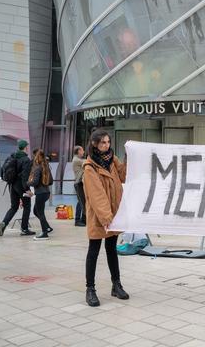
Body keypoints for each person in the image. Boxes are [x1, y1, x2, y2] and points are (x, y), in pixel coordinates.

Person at [83, 130, 129, 306]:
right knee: (93, 250)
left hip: (113, 213)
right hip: (100, 215)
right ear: (94, 144)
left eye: (108, 142)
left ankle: (116, 284)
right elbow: (97, 195)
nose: (106, 145)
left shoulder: (112, 159)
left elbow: (123, 175)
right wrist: (106, 217)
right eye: (103, 142)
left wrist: (128, 158)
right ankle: (90, 289)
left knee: (111, 249)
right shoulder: (90, 167)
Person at [0, 139, 35, 236]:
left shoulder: (11, 156)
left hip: (11, 185)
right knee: (27, 206)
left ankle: (4, 223)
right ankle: (24, 229)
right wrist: (27, 190)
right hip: (21, 186)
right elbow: (24, 176)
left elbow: (2, 169)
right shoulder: (26, 159)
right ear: (26, 147)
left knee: (14, 207)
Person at [27, 149, 54, 240]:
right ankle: (47, 227)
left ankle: (44, 233)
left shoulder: (38, 167)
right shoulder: (46, 167)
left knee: (40, 213)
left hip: (40, 193)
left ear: (37, 157)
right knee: (36, 211)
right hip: (46, 192)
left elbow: (34, 182)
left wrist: (27, 183)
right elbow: (51, 182)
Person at [72, 145, 87, 227]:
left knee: (82, 201)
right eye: (82, 150)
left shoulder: (78, 159)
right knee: (81, 202)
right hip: (79, 183)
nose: (83, 152)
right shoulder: (76, 160)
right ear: (78, 151)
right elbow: (87, 162)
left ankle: (83, 220)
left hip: (80, 183)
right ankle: (77, 221)